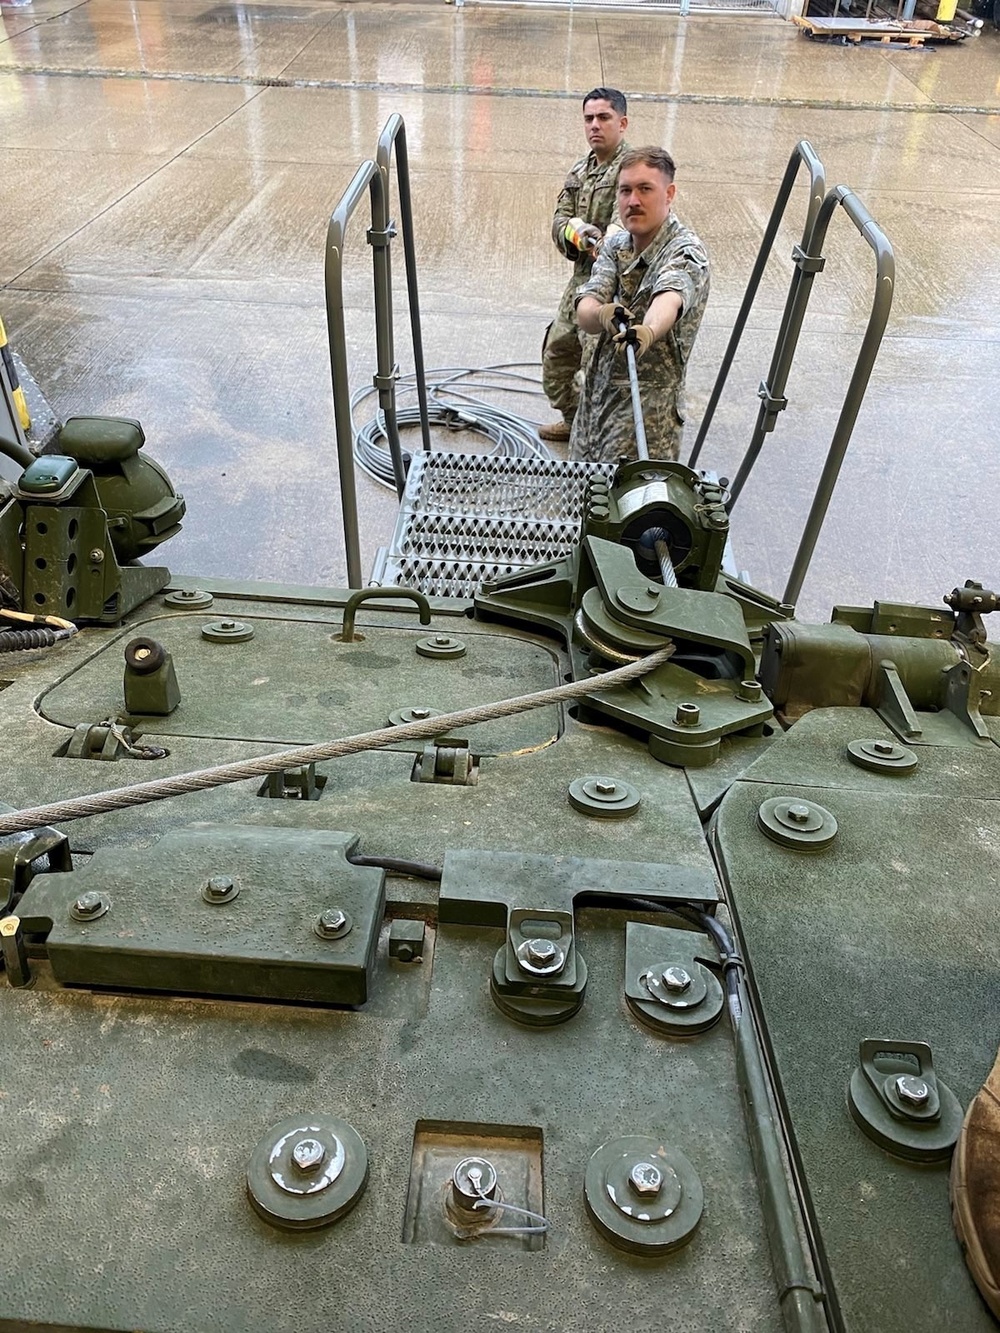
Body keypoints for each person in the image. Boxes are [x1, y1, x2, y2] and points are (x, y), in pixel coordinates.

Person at [570, 146, 710, 464]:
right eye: (625, 191)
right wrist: (600, 313)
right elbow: (587, 306)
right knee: (583, 503)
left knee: (634, 512)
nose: (633, 201)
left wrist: (647, 331)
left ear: (669, 193)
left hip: (643, 428)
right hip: (593, 412)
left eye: (645, 189)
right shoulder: (617, 247)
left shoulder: (685, 252)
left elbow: (671, 296)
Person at [538, 87, 630, 444]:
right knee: (557, 355)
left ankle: (596, 441)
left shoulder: (634, 169)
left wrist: (610, 239)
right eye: (589, 118)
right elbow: (559, 219)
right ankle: (575, 421)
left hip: (617, 289)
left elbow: (634, 226)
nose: (595, 125)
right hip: (581, 282)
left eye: (604, 117)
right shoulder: (581, 169)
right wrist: (577, 233)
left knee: (601, 371)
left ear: (621, 123)